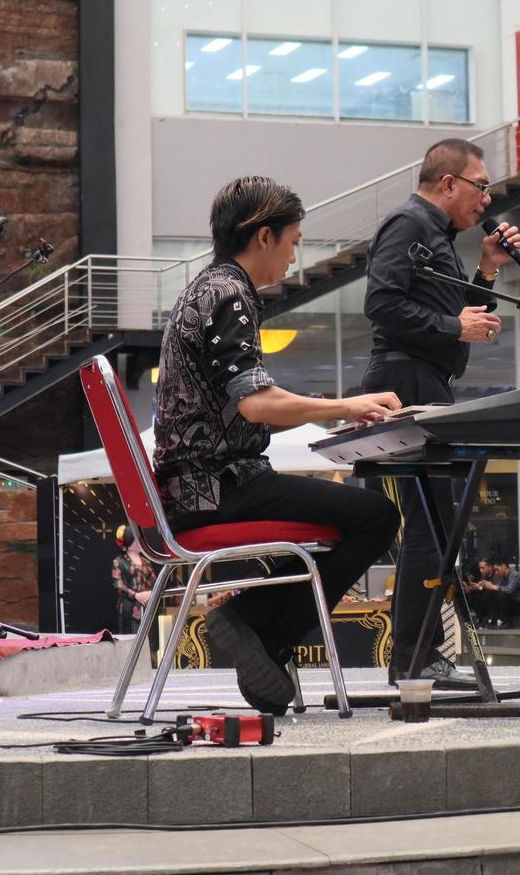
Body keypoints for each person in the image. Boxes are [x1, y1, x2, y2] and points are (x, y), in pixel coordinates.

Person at [152, 175, 403, 715]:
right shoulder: (229, 295)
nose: (295, 255)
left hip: (196, 484)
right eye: (294, 240)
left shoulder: (207, 287)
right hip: (217, 488)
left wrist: (329, 409)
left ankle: (261, 622)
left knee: (350, 517)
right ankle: (260, 623)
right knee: (376, 516)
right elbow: (257, 406)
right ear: (263, 236)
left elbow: (248, 403)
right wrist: (344, 407)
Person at [362, 138, 520, 687]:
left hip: (426, 378)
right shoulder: (408, 223)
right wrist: (455, 326)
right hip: (403, 379)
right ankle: (416, 660)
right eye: (481, 185)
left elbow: (457, 316)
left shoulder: (439, 238)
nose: (487, 197)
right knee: (430, 529)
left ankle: (420, 657)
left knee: (436, 526)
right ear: (449, 182)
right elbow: (381, 303)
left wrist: (489, 270)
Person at [110, 523, 154, 635]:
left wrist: (151, 593)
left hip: (147, 606)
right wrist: (136, 595)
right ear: (130, 543)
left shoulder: (146, 561)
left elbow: (154, 580)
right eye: (137, 541)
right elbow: (118, 585)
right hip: (129, 608)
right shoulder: (119, 562)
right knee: (131, 638)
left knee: (149, 637)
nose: (140, 544)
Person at [467, 558, 520, 629]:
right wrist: (480, 586)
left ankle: (506, 622)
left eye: (497, 570)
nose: (496, 572)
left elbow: (509, 590)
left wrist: (492, 586)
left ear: (503, 566)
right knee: (482, 596)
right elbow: (498, 589)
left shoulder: (514, 575)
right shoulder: (503, 577)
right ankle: (485, 620)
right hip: (514, 604)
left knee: (499, 594)